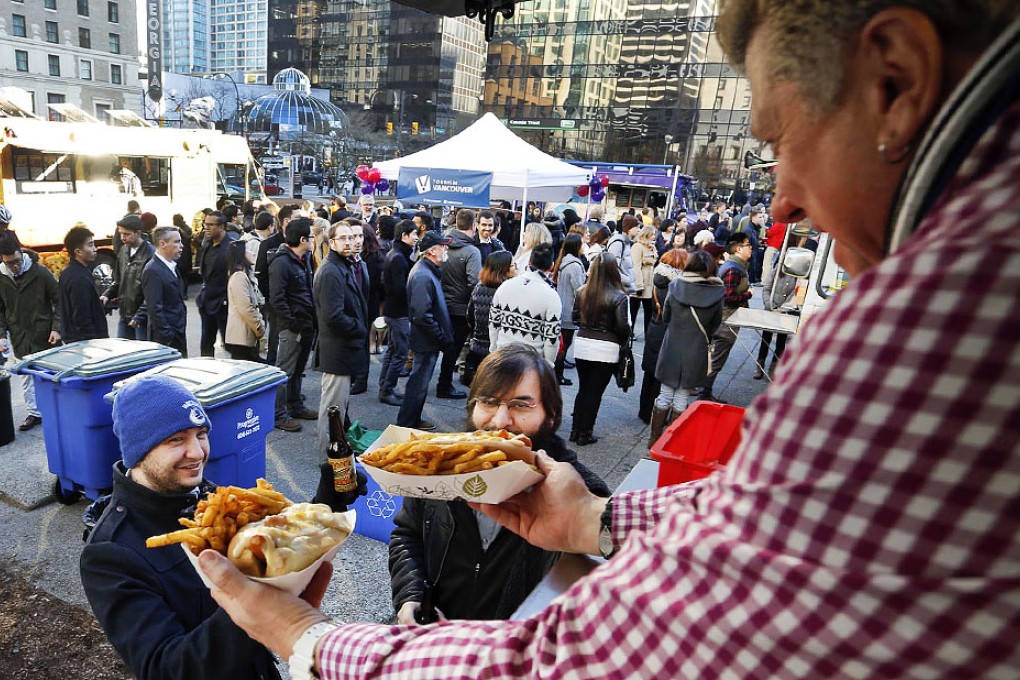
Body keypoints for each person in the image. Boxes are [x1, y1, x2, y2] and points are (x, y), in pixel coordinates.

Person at [200, 4, 1020, 677]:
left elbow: (580, 657)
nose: (781, 207)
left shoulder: (949, 303)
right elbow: (755, 525)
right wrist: (598, 520)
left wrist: (303, 636)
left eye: (777, 142)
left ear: (897, 79)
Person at [80, 374, 362, 680]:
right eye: (176, 439)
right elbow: (164, 668)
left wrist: (327, 502)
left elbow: (277, 546)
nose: (198, 452)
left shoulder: (211, 498)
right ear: (138, 451)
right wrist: (254, 607)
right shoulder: (109, 553)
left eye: (200, 434)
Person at [389, 345, 610, 623]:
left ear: (550, 416)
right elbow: (407, 535)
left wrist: (586, 521)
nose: (501, 421)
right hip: (436, 640)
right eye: (489, 401)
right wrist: (411, 596)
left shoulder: (580, 491)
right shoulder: (436, 465)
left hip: (514, 651)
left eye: (521, 404)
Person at [651, 250, 724, 443]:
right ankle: (670, 442)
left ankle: (654, 440)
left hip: (672, 346)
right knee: (683, 397)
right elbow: (716, 324)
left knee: (665, 394)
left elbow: (666, 316)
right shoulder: (717, 292)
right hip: (697, 349)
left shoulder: (675, 286)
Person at [313, 221, 369, 454]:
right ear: (332, 242)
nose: (350, 242)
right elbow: (333, 316)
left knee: (339, 406)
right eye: (344, 238)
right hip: (337, 349)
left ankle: (336, 452)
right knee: (332, 408)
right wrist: (358, 327)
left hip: (343, 348)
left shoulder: (341, 266)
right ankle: (327, 458)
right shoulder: (330, 271)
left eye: (352, 237)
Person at [0, 232, 60, 431]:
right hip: (19, 335)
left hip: (44, 334)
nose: (14, 266)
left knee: (50, 373)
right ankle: (34, 413)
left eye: (16, 261)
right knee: (26, 376)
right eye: (9, 263)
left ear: (22, 253)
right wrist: (1, 335)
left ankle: (57, 409)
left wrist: (56, 328)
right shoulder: (2, 277)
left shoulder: (40, 272)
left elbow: (58, 300)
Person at [396, 231, 454, 431]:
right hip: (426, 340)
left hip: (427, 339)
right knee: (418, 385)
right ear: (432, 251)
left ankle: (411, 420)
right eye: (442, 246)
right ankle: (406, 424)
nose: (446, 249)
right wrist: (439, 336)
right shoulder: (422, 274)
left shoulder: (427, 270)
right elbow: (422, 315)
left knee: (420, 384)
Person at [570, 252, 629, 446]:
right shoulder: (619, 297)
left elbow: (575, 318)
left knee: (583, 388)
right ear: (614, 271)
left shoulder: (582, 291)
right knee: (594, 392)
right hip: (606, 348)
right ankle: (585, 433)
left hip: (582, 345)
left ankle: (575, 430)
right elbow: (622, 328)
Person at [269, 217, 318, 432]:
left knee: (299, 370)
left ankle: (295, 405)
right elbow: (277, 299)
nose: (313, 241)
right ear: (302, 239)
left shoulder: (304, 259)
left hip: (306, 323)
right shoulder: (281, 262)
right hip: (292, 327)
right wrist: (293, 323)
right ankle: (279, 415)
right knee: (285, 372)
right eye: (311, 237)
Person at [488, 242, 561, 366]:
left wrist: (493, 350)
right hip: (531, 363)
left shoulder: (505, 286)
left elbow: (493, 324)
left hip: (502, 357)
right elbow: (552, 338)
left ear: (529, 262)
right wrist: (549, 363)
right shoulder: (552, 296)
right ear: (551, 267)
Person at [701, 232, 754, 402]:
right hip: (726, 321)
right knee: (716, 360)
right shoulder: (733, 268)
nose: (751, 248)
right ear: (738, 249)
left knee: (714, 358)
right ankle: (704, 393)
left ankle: (703, 391)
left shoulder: (736, 266)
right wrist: (747, 295)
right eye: (748, 245)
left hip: (725, 319)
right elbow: (728, 296)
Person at [435, 209, 481, 399]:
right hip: (461, 308)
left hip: (441, 304)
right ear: (473, 225)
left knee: (445, 347)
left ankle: (442, 382)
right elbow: (475, 283)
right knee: (454, 348)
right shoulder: (471, 251)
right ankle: (444, 384)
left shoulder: (443, 244)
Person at [639, 248, 687, 425]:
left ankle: (643, 410)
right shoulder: (676, 287)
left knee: (649, 373)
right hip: (667, 331)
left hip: (654, 328)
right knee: (661, 374)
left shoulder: (657, 280)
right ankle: (653, 413)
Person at [378, 220, 417, 407]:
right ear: (404, 236)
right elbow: (400, 288)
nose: (416, 238)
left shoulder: (397, 254)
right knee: (399, 353)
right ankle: (387, 390)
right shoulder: (399, 257)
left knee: (393, 350)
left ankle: (385, 388)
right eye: (414, 234)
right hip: (398, 312)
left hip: (393, 310)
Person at [462, 250, 514, 386]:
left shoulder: (479, 287)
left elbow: (469, 315)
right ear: (504, 269)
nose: (516, 268)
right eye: (512, 265)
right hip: (498, 349)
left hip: (477, 346)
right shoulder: (508, 290)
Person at [101, 215, 155, 341]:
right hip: (125, 314)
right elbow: (119, 281)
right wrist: (107, 294)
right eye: (120, 233)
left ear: (138, 233)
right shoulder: (123, 251)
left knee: (141, 355)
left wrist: (140, 316)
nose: (122, 238)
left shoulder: (150, 254)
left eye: (126, 234)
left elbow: (152, 293)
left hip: (142, 318)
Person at [196, 211, 237, 357]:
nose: (206, 228)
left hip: (224, 305)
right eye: (205, 224)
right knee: (206, 343)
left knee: (230, 346)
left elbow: (237, 278)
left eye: (210, 225)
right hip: (207, 303)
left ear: (222, 227)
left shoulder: (232, 247)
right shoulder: (207, 244)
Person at [141, 226, 188, 356]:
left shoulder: (171, 266)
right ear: (162, 244)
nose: (182, 246)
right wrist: (168, 335)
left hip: (177, 332)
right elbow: (154, 308)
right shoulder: (153, 270)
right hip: (166, 340)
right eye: (177, 242)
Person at [59, 224, 109, 343]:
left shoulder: (69, 273)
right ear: (78, 251)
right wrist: (94, 343)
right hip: (85, 344)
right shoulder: (78, 278)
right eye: (90, 245)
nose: (94, 249)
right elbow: (81, 317)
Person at [552, 233, 586, 386]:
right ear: (577, 246)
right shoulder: (574, 265)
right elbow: (579, 288)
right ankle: (558, 376)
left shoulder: (563, 261)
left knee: (561, 344)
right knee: (564, 345)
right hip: (569, 309)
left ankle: (555, 374)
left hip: (561, 306)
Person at [224, 240, 265, 362]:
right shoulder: (239, 277)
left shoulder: (244, 276)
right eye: (248, 250)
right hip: (241, 339)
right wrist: (259, 328)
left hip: (245, 338)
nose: (252, 253)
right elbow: (246, 308)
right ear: (240, 254)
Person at [629, 225, 658, 334]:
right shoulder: (637, 247)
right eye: (652, 234)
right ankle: (629, 333)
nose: (654, 237)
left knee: (649, 311)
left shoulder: (652, 247)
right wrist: (639, 285)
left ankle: (648, 333)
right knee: (633, 311)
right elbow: (636, 267)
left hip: (650, 283)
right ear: (646, 235)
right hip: (640, 283)